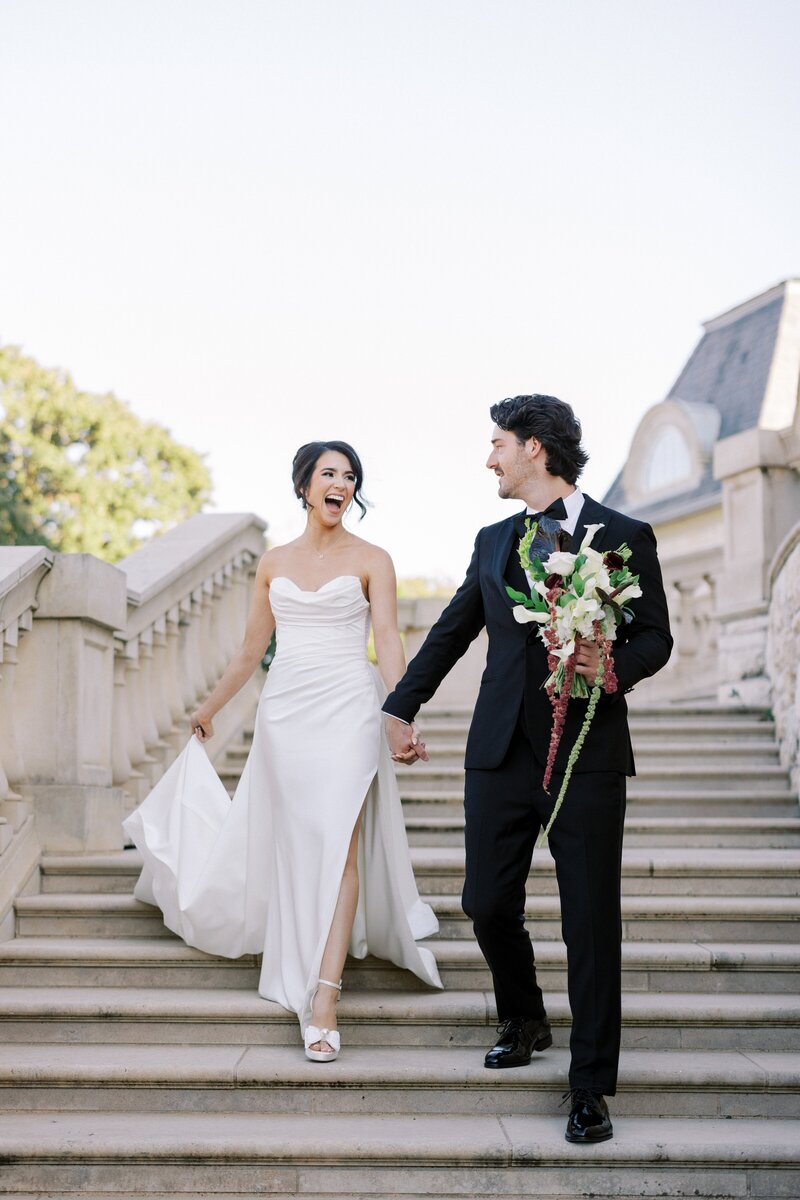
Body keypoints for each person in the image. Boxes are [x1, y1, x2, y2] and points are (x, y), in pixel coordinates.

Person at [383, 395, 672, 1142]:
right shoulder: (491, 541)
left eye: (498, 444)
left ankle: (589, 1086)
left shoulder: (625, 535)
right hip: (502, 751)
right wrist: (399, 707)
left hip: (586, 753)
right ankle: (524, 1017)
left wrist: (608, 669)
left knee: (590, 919)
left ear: (535, 449)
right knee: (484, 901)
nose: (490, 458)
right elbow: (451, 631)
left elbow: (656, 638)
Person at [124, 440, 441, 1062]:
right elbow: (249, 651)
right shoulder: (271, 563)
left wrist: (401, 713)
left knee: (340, 842)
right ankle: (301, 949)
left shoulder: (374, 558)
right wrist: (210, 709)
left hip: (350, 706)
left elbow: (387, 642)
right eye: (329, 474)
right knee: (298, 842)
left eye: (350, 477)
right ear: (304, 485)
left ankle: (324, 997)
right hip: (287, 713)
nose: (341, 485)